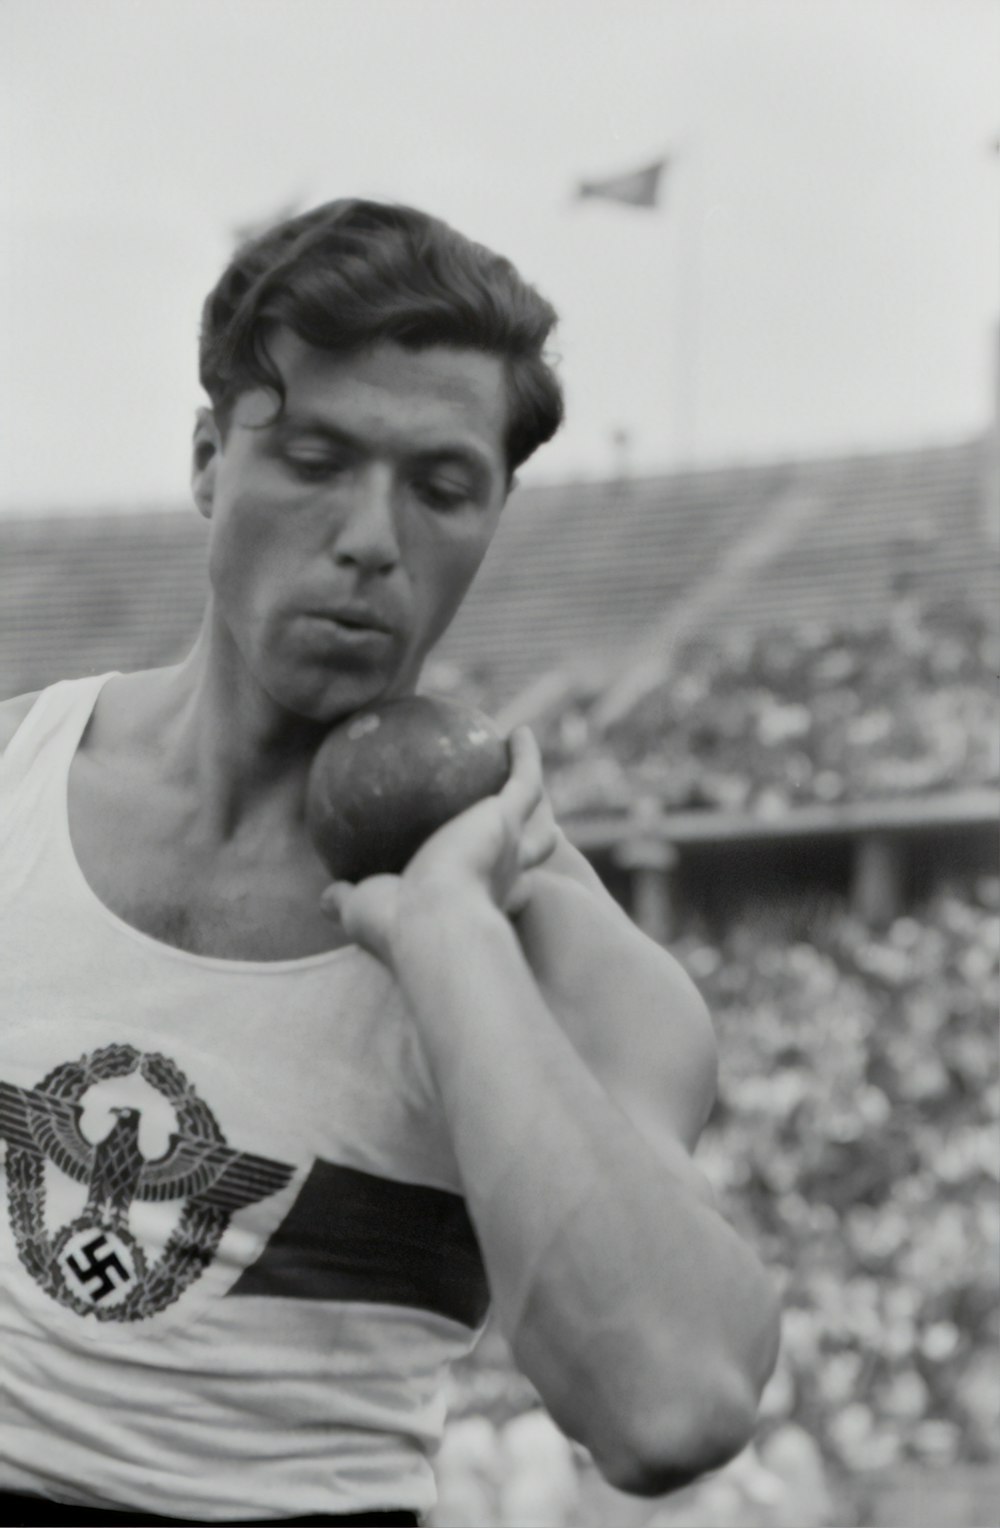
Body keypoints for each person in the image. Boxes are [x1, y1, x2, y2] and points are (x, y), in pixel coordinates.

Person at [0, 199, 780, 1526]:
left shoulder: (553, 952)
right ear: (207, 458)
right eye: (314, 458)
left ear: (492, 517)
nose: (370, 535)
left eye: (438, 486)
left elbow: (669, 1407)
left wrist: (450, 943)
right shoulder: (11, 779)